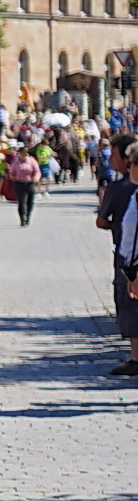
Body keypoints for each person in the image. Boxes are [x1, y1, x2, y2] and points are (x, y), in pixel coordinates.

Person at [96, 137, 138, 374]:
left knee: (129, 302)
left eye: (115, 156)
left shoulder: (118, 188)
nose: (112, 160)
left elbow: (102, 221)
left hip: (129, 257)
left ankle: (135, 357)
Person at [6, 145, 41, 227]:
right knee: (22, 202)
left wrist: (36, 177)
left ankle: (28, 217)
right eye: (23, 153)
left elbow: (37, 171)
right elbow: (11, 173)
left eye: (26, 153)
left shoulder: (31, 161)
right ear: (20, 153)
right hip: (19, 184)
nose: (25, 155)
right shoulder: (15, 162)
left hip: (30, 183)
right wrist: (13, 177)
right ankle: (22, 219)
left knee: (30, 202)